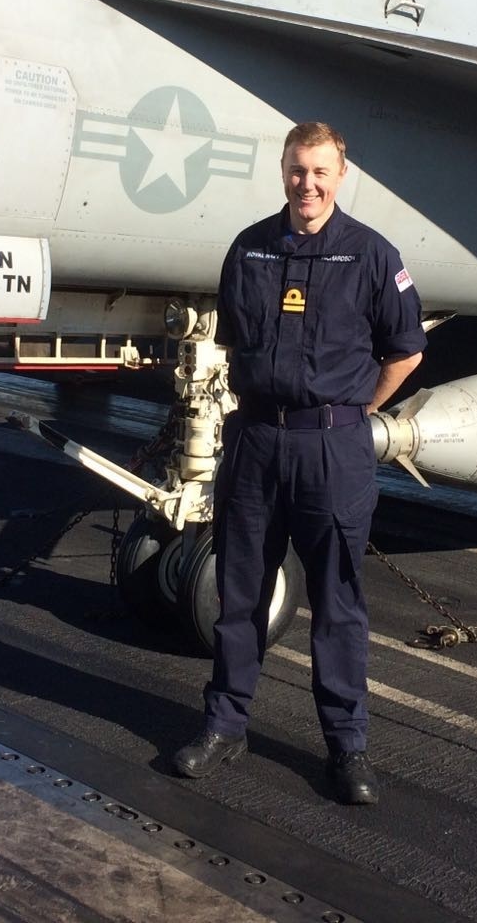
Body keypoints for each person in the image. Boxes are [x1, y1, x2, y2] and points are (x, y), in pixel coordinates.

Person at [171, 121, 424, 805]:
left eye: (319, 172)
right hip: (255, 443)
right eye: (295, 170)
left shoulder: (372, 256)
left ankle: (347, 750)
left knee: (338, 604)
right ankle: (225, 727)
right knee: (240, 596)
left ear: (340, 176)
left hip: (333, 450)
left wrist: (352, 411)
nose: (306, 184)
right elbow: (234, 338)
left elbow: (407, 350)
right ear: (282, 171)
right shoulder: (248, 250)